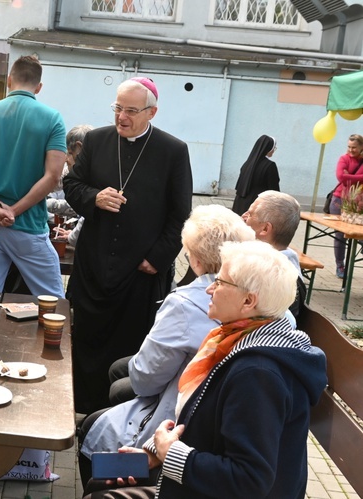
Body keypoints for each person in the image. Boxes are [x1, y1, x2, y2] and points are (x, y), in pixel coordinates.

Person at [83, 240, 327, 499]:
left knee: (100, 494)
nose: (210, 289)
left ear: (248, 301)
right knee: (102, 475)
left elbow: (249, 480)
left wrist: (172, 455)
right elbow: (214, 429)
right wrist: (155, 454)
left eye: (221, 282)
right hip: (207, 480)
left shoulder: (258, 373)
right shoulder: (238, 341)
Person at [77, 205, 254, 485]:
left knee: (94, 430)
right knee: (114, 389)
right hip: (216, 427)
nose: (209, 292)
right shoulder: (277, 318)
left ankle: (98, 485)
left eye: (216, 287)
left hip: (188, 429)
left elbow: (148, 379)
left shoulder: (189, 304)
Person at [63, 76, 193, 415]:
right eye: (117, 108)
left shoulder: (173, 151)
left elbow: (181, 214)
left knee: (129, 345)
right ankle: (81, 408)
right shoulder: (96, 140)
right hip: (94, 265)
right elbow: (72, 185)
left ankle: (118, 412)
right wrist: (94, 197)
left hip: (140, 272)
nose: (121, 117)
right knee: (87, 340)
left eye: (131, 111)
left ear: (152, 112)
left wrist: (158, 259)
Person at [0, 54, 67, 297]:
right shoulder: (53, 119)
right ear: (39, 87)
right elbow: (52, 177)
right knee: (52, 300)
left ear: (9, 81)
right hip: (27, 223)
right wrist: (13, 212)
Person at [241, 190, 306, 319]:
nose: (243, 217)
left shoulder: (273, 277)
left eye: (250, 214)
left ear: (265, 229)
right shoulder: (275, 264)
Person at [329, 134, 363, 278]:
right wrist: (357, 179)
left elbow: (347, 178)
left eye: (354, 147)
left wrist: (349, 176)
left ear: (361, 147)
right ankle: (340, 266)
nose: (351, 150)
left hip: (358, 202)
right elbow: (340, 177)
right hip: (339, 200)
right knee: (340, 236)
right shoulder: (344, 158)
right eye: (349, 147)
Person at [54, 125, 94, 247]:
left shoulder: (94, 173)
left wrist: (72, 237)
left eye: (70, 153)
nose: (67, 159)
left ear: (79, 147)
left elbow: (87, 212)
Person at [231, 135, 279, 216]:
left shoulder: (247, 164)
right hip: (256, 208)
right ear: (268, 148)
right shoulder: (270, 166)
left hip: (239, 206)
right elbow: (274, 190)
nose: (274, 150)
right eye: (274, 148)